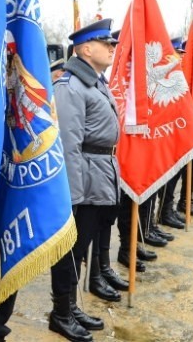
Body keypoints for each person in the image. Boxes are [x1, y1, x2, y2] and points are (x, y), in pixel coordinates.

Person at [49, 18, 121, 342]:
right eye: (106, 43)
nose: (111, 48)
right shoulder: (70, 86)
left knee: (81, 249)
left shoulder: (95, 82)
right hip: (83, 183)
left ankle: (70, 305)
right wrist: (73, 198)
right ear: (85, 48)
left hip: (98, 176)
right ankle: (60, 313)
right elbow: (68, 146)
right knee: (70, 251)